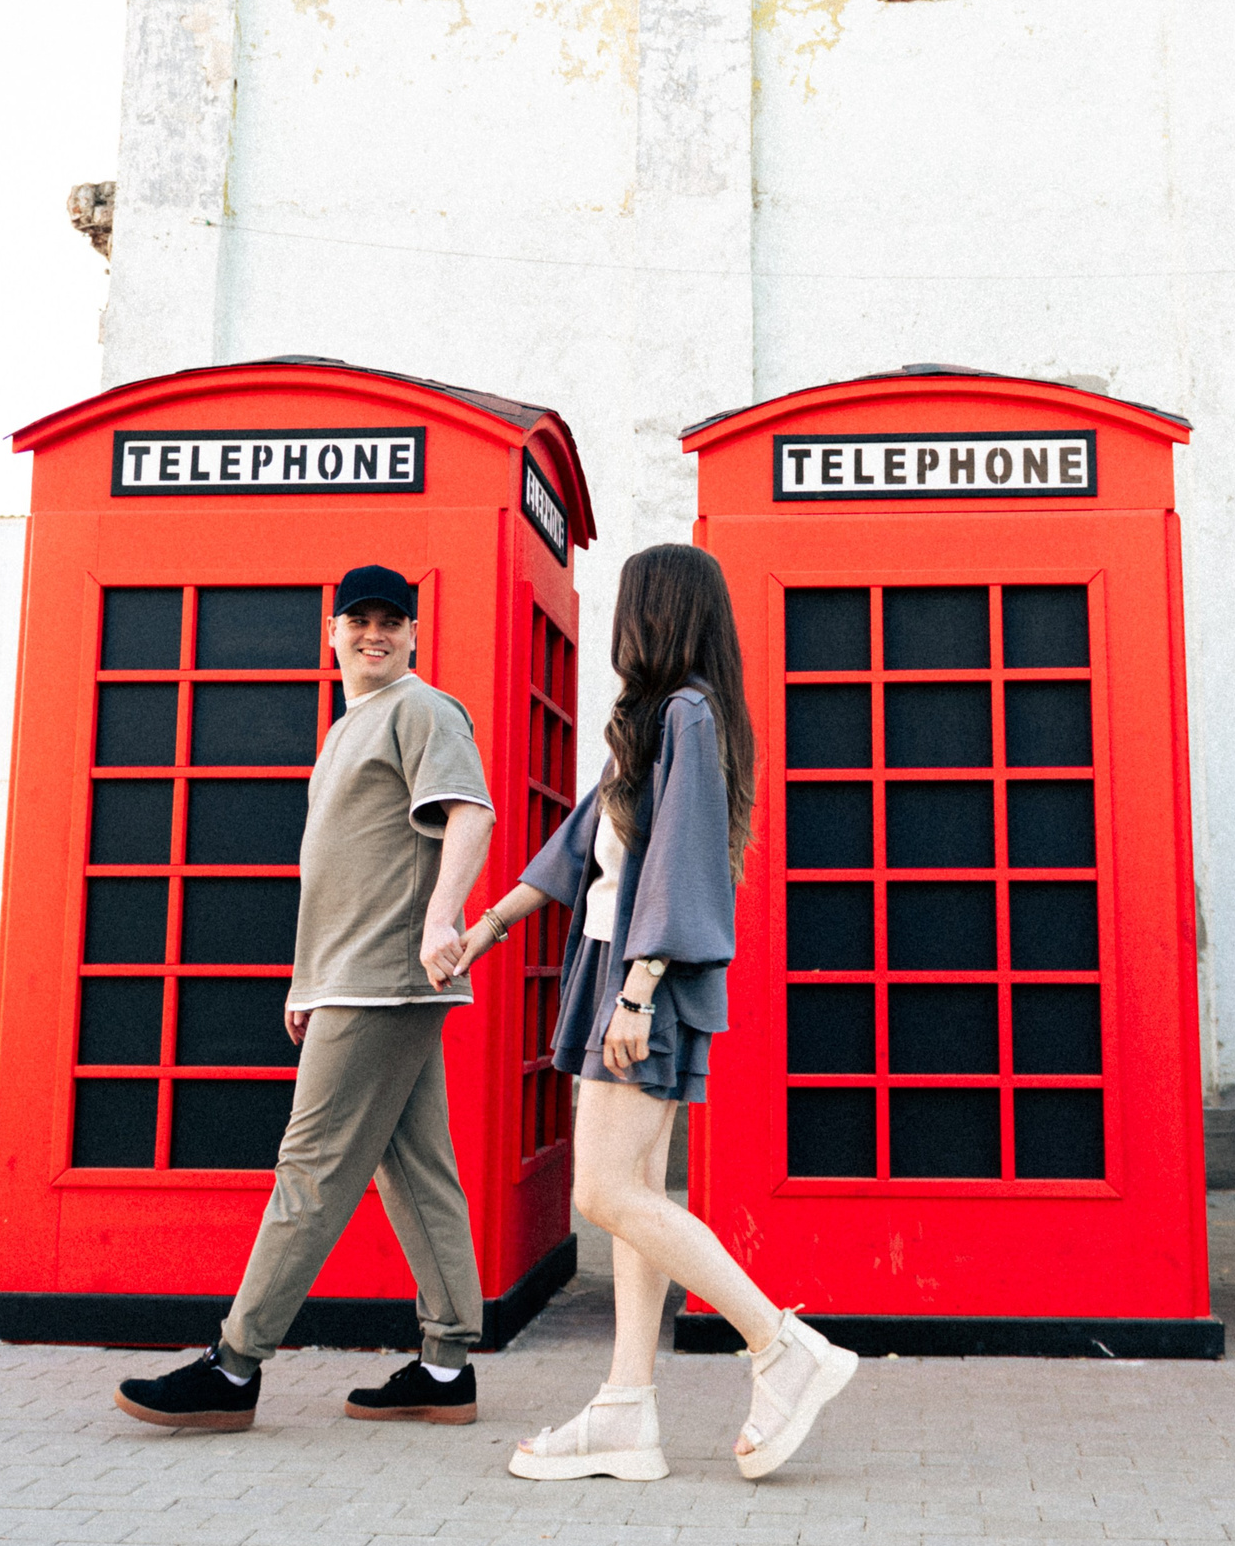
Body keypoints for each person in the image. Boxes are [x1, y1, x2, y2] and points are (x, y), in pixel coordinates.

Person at [444, 543, 857, 1482]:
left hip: (643, 988)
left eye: (630, 606)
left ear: (654, 613)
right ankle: (627, 1409)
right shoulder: (656, 721)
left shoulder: (688, 714)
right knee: (638, 1200)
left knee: (601, 1192)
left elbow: (678, 855)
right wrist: (491, 924)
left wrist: (638, 990)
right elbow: (588, 834)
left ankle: (782, 1344)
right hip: (620, 976)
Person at [114, 564, 497, 1432]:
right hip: (351, 977)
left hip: (386, 979)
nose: (374, 633)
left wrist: (443, 920)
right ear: (331, 632)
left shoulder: (421, 708)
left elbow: (472, 814)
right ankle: (445, 1369)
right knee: (414, 1168)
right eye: (358, 619)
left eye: (390, 620)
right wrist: (303, 977)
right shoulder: (347, 728)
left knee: (311, 1167)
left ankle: (235, 1363)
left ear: (411, 632)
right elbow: (339, 868)